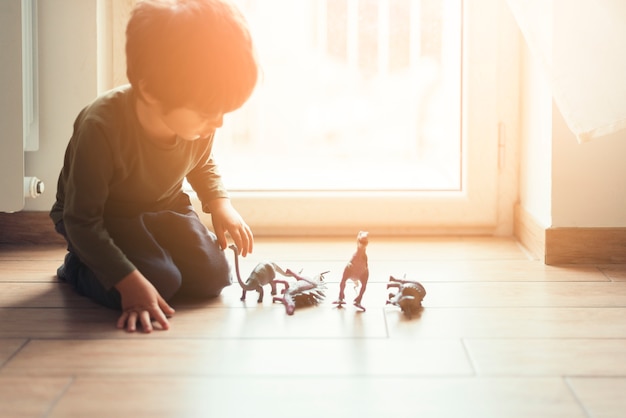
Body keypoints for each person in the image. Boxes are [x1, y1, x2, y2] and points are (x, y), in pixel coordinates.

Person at [50, 0, 258, 333]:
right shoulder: (101, 126)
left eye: (223, 112)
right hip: (99, 218)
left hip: (162, 206)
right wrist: (128, 283)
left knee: (213, 277)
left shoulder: (199, 122)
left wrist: (220, 204)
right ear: (149, 89)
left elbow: (201, 162)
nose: (217, 122)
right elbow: (81, 219)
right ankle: (78, 266)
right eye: (208, 113)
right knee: (160, 281)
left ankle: (149, 256)